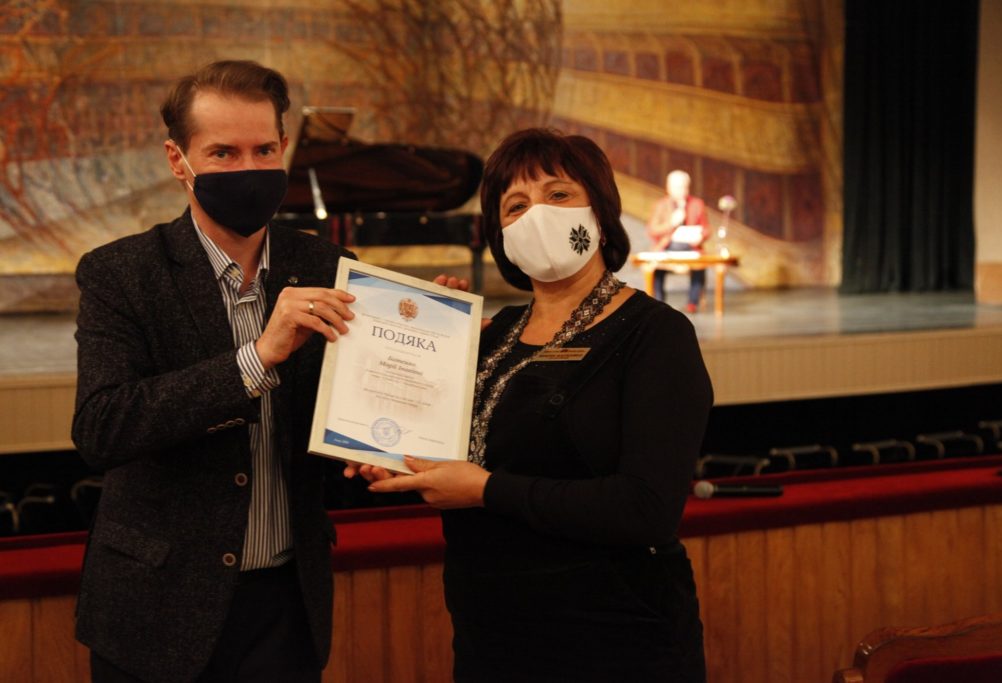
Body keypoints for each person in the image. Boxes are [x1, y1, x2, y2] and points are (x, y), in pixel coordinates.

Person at [354, 129, 713, 682]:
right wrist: (397, 454)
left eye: (558, 194)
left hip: (612, 638)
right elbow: (455, 455)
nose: (537, 215)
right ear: (501, 235)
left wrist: (485, 489)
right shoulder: (492, 336)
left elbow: (647, 509)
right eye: (515, 206)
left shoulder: (655, 334)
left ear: (600, 212)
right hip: (492, 633)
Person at [72, 60, 358, 682]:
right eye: (223, 153)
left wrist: (425, 346)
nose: (248, 169)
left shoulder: (329, 265)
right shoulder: (120, 273)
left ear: (284, 147)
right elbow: (102, 427)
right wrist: (256, 358)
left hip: (287, 608)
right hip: (156, 610)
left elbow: (343, 418)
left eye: (263, 150)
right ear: (178, 160)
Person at [646, 169, 710, 313]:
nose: (681, 191)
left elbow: (707, 229)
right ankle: (659, 303)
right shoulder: (661, 205)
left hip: (691, 247)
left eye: (684, 187)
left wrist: (701, 236)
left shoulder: (697, 204)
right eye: (677, 187)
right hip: (667, 246)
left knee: (700, 265)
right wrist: (671, 223)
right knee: (655, 266)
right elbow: (652, 230)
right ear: (668, 188)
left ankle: (692, 303)